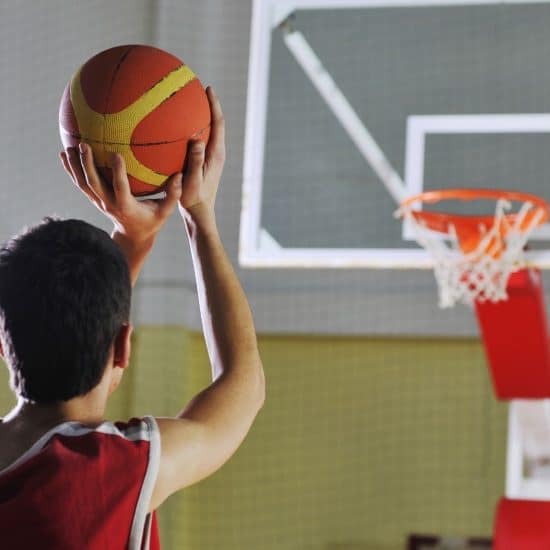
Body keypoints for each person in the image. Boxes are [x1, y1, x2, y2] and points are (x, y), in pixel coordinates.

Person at [0, 87, 265, 549]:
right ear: (124, 347)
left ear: (3, 343)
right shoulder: (112, 471)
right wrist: (198, 217)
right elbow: (244, 386)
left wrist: (134, 237)